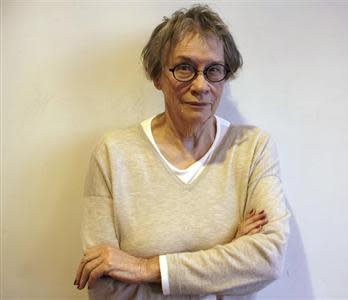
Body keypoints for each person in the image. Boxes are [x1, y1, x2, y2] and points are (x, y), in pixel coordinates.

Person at [74, 4, 290, 299]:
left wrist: (146, 268)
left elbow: (268, 259)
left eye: (213, 70)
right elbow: (104, 285)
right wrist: (227, 256)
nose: (201, 85)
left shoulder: (253, 149)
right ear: (157, 77)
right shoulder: (114, 154)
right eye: (184, 68)